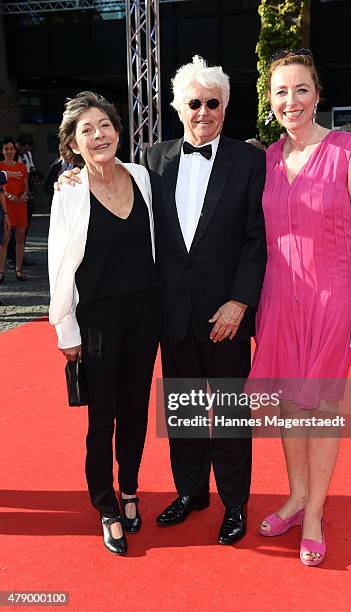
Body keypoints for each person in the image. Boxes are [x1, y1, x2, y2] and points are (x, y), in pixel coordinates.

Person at [248, 49, 351, 566]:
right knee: (287, 405)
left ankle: (317, 512)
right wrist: (83, 175)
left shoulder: (350, 149)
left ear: (318, 94)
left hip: (334, 296)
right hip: (278, 298)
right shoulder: (264, 160)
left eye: (301, 89)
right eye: (281, 92)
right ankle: (297, 496)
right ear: (271, 101)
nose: (291, 100)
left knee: (321, 408)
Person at [142, 55, 266, 545]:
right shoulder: (152, 159)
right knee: (186, 409)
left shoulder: (249, 160)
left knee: (231, 414)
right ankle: (191, 491)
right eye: (194, 102)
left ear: (224, 106)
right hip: (173, 311)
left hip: (226, 315)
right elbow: (115, 195)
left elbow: (258, 239)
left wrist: (240, 301)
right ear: (178, 107)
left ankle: (234, 503)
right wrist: (72, 181)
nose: (204, 111)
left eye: (213, 103)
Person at [48, 91, 161, 555]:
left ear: (118, 130)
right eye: (87, 130)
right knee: (103, 418)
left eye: (105, 126)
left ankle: (130, 487)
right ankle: (106, 505)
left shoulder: (141, 177)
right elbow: (59, 266)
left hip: (146, 316)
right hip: (96, 321)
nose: (99, 135)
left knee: (136, 411)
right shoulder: (70, 191)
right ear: (73, 144)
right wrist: (66, 331)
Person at [0, 138, 29, 282]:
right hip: (5, 206)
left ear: (15, 150)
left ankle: (19, 269)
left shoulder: (21, 166)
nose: (9, 151)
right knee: (4, 239)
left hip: (20, 205)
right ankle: (1, 271)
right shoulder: (0, 166)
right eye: (6, 149)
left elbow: (26, 186)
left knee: (20, 238)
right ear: (2, 151)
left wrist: (24, 194)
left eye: (11, 148)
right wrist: (8, 195)